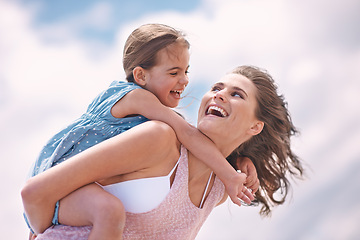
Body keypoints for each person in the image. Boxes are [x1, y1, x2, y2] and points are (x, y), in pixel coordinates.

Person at [22, 24, 253, 239]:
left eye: (186, 71)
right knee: (109, 212)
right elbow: (189, 134)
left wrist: (237, 160)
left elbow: (192, 143)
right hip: (57, 181)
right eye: (174, 73)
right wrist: (230, 175)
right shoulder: (138, 97)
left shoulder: (155, 114)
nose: (184, 80)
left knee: (108, 211)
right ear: (141, 75)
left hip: (71, 191)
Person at [22, 65, 304, 239]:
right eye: (216, 87)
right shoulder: (158, 138)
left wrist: (242, 162)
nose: (218, 94)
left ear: (255, 127)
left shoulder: (218, 190)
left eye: (236, 94)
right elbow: (35, 192)